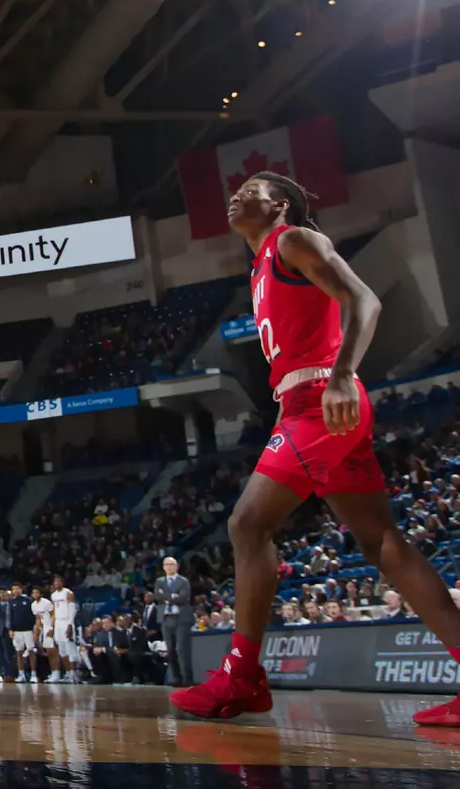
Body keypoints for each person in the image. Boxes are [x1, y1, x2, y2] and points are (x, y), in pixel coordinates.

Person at [170, 174, 460, 727]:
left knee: (246, 526)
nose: (236, 193)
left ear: (278, 204)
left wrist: (345, 373)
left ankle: (243, 677)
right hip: (309, 407)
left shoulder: (292, 239)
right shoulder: (258, 266)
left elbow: (364, 300)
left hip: (322, 400)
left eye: (252, 187)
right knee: (383, 544)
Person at [156, 556, 193, 686]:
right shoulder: (159, 581)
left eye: (171, 564)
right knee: (170, 650)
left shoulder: (183, 581)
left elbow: (183, 597)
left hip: (181, 619)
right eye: (166, 564)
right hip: (166, 619)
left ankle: (187, 678)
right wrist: (173, 596)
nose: (169, 567)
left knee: (182, 649)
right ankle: (176, 678)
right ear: (163, 567)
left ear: (176, 566)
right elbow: (158, 596)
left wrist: (167, 597)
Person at [49, 577, 77, 683]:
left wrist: (70, 624)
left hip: (67, 621)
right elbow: (55, 612)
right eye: (55, 581)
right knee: (62, 650)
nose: (56, 583)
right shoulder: (53, 595)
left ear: (62, 583)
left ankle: (74, 674)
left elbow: (72, 609)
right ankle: (68, 673)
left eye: (58, 581)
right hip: (58, 623)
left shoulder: (68, 593)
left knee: (70, 647)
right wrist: (52, 626)